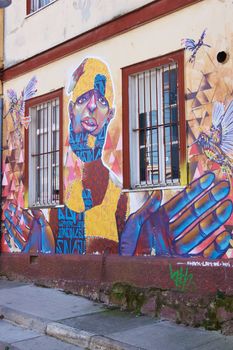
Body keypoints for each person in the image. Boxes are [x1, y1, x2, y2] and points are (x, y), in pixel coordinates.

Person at [3, 58, 233, 258]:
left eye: (101, 101)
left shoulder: (117, 190)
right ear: (71, 109)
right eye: (84, 98)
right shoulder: (53, 184)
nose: (92, 107)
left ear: (110, 114)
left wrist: (141, 263)